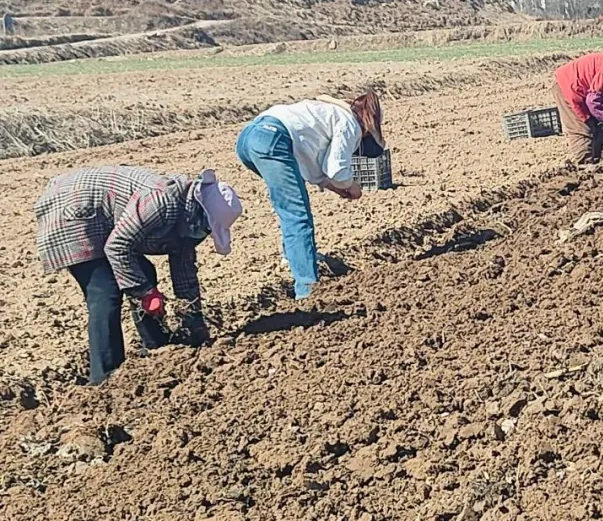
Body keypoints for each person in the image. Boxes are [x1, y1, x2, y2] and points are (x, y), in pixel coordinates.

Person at [34, 166, 242, 385]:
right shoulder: (163, 202)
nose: (203, 233)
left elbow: (184, 274)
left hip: (103, 222)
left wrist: (195, 322)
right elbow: (117, 246)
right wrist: (145, 293)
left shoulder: (189, 222)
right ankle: (104, 377)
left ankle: (158, 349)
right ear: (197, 210)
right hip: (73, 210)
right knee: (106, 291)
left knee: (144, 273)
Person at [236, 91, 385, 300]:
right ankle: (307, 290)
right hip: (273, 138)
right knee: (297, 215)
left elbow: (313, 166)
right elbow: (336, 170)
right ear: (369, 129)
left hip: (248, 138)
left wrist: (334, 187)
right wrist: (352, 186)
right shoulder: (350, 124)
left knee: (289, 206)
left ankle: (294, 257)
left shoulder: (330, 113)